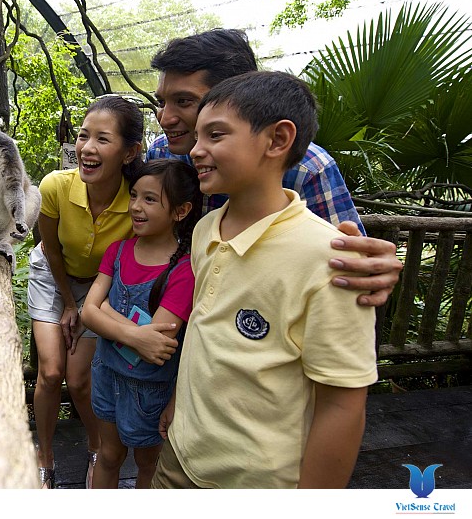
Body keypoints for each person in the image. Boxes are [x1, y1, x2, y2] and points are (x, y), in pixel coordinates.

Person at [151, 70, 379, 488]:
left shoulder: (330, 259)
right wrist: (178, 403)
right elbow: (207, 333)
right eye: (198, 136)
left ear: (277, 140)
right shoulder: (205, 230)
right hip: (179, 457)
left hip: (257, 481)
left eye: (216, 135)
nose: (196, 151)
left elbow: (342, 404)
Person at [146, 28, 403, 307]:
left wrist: (370, 268)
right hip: (172, 312)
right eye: (161, 102)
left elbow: (350, 264)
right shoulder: (161, 153)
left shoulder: (307, 168)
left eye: (184, 101)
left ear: (236, 95)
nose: (165, 117)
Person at [28, 95, 144, 489]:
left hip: (100, 285)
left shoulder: (137, 203)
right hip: (52, 275)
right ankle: (44, 457)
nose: (87, 148)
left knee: (79, 380)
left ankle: (98, 450)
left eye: (102, 139)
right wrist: (67, 303)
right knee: (51, 371)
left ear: (129, 153)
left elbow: (119, 265)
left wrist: (85, 304)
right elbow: (52, 250)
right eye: (83, 136)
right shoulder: (55, 187)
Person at [81, 159, 202, 489]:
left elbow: (155, 347)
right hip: (106, 373)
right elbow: (86, 313)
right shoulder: (117, 251)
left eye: (150, 199)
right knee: (108, 455)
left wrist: (105, 309)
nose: (136, 206)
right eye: (134, 196)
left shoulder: (183, 270)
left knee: (149, 462)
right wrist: (134, 333)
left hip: (149, 390)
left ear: (180, 211)